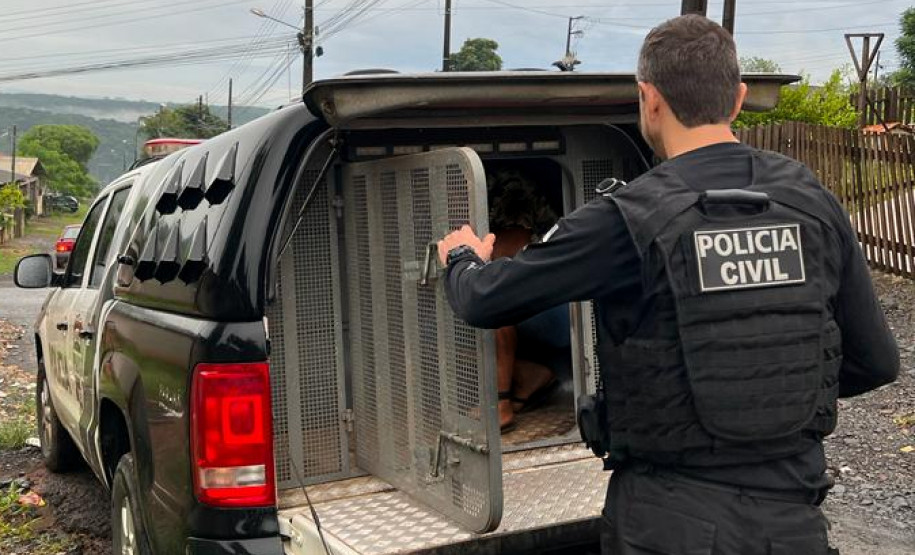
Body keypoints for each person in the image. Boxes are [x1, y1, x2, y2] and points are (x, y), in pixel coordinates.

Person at [437, 14, 899, 555]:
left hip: (668, 520)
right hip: (792, 519)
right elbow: (876, 362)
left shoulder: (627, 216)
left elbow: (485, 298)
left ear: (649, 98)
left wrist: (462, 256)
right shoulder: (811, 200)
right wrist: (764, 395)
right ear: (738, 97)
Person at [486, 168, 569, 431]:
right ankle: (529, 376)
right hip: (543, 304)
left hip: (562, 307)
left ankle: (501, 406)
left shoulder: (508, 185)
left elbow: (508, 252)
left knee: (487, 296)